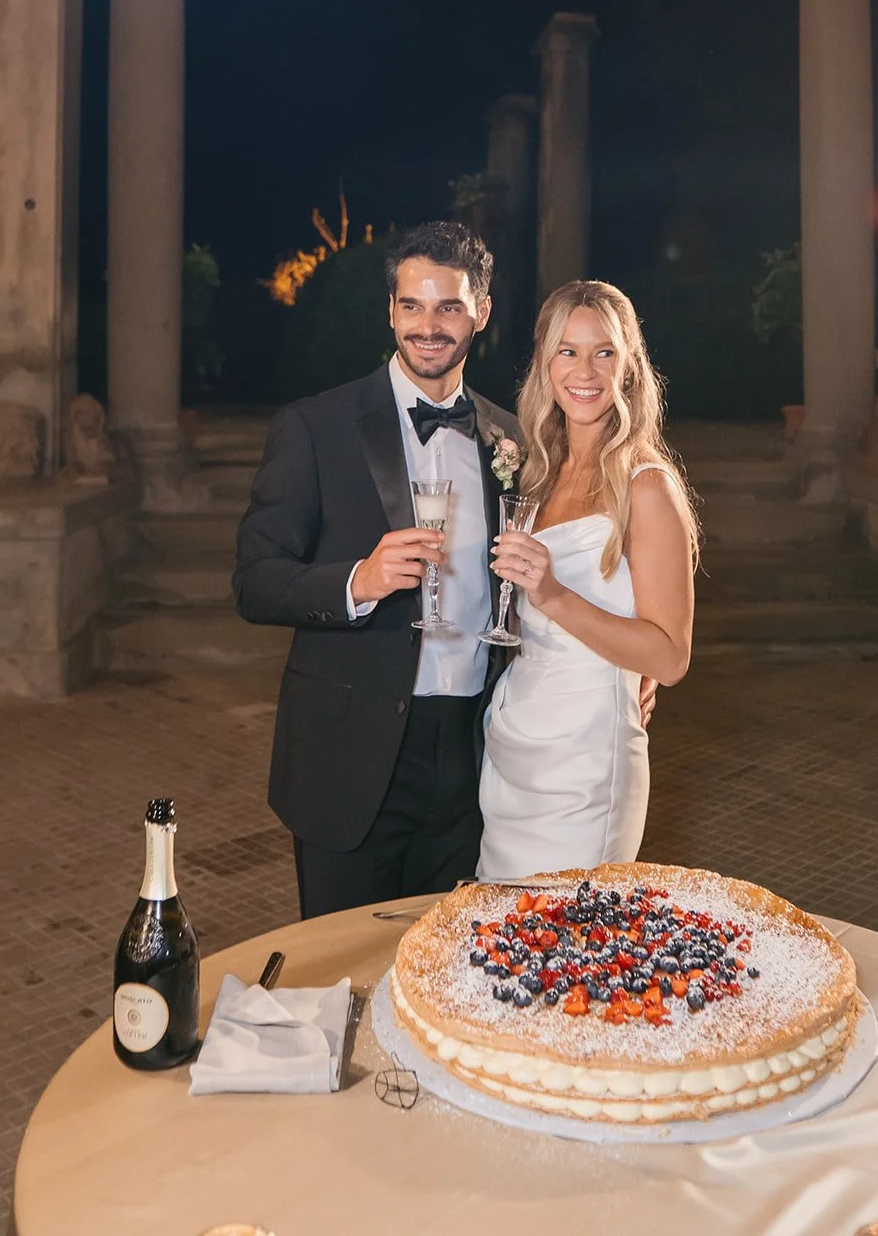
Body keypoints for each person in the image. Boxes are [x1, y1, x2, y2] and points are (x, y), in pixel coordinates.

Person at [233, 221, 520, 919]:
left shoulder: (508, 438)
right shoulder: (315, 426)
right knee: (341, 971)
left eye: (449, 306)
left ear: (480, 312)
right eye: (412, 306)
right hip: (349, 755)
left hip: (470, 755)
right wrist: (355, 582)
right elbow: (254, 579)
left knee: (446, 969)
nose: (429, 326)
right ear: (390, 310)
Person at [478, 279, 699, 878]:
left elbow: (671, 656)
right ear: (546, 365)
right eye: (567, 351)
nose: (586, 370)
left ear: (628, 367)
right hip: (517, 741)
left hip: (587, 760)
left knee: (567, 950)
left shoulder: (647, 487)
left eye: (604, 351)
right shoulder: (538, 475)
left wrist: (554, 596)